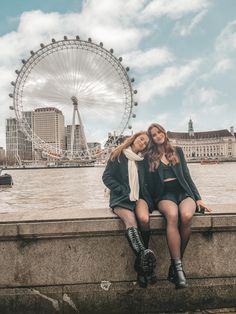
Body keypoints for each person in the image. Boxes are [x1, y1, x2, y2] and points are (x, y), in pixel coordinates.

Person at [146, 123, 212, 289]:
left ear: (164, 132)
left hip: (183, 192)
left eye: (159, 132)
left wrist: (198, 198)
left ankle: (175, 266)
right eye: (153, 134)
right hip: (164, 195)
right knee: (173, 216)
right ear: (152, 139)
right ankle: (179, 270)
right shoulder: (150, 156)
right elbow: (146, 182)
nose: (157, 135)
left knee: (187, 216)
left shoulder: (178, 151)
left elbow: (187, 177)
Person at [102, 131, 157, 288]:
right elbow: (106, 177)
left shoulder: (143, 159)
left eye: (146, 143)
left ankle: (143, 266)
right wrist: (121, 190)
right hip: (121, 199)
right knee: (131, 222)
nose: (143, 143)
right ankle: (146, 269)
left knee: (144, 220)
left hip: (139, 197)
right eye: (141, 139)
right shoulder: (118, 154)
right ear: (134, 138)